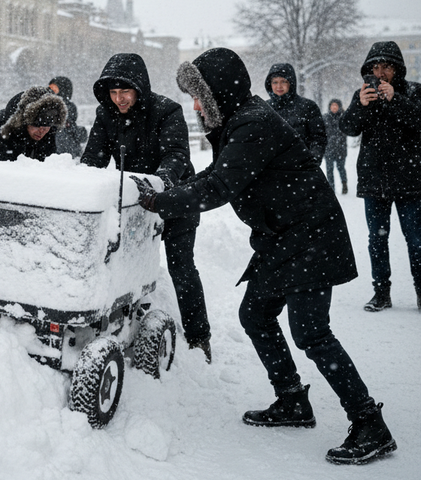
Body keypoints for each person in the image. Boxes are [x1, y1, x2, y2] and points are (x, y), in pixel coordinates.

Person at [132, 46, 396, 465]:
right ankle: (292, 399)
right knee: (254, 314)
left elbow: (219, 188)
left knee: (311, 332)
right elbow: (216, 174)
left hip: (311, 237)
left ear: (217, 93)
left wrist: (161, 201)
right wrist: (169, 191)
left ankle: (370, 424)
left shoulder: (252, 124)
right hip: (284, 239)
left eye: (199, 96)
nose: (196, 106)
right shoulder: (240, 121)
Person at [81, 53, 212, 362]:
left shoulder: (167, 110)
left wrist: (161, 182)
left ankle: (199, 336)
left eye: (124, 91)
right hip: (132, 203)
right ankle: (128, 319)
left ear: (139, 87)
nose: (119, 99)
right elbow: (93, 159)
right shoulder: (106, 114)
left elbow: (177, 154)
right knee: (123, 261)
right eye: (113, 93)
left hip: (175, 199)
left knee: (182, 269)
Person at [339, 40, 421, 312]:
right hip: (374, 182)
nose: (380, 73)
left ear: (396, 68)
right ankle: (381, 293)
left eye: (386, 67)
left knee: (417, 240)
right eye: (375, 67)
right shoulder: (362, 94)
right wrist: (361, 105)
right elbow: (348, 128)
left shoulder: (414, 92)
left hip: (411, 181)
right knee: (377, 239)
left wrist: (395, 98)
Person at [0, 86, 67, 162]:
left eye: (47, 126)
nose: (42, 131)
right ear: (24, 121)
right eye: (37, 125)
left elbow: (47, 166)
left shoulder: (49, 132)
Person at [265, 63, 327, 162]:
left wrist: (312, 161)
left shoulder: (308, 106)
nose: (279, 86)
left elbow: (318, 138)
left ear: (291, 83)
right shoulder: (264, 108)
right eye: (275, 82)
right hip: (272, 171)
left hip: (301, 169)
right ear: (269, 84)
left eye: (283, 81)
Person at [48, 76, 88, 157]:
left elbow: (71, 125)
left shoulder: (68, 106)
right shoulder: (47, 105)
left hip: (68, 151)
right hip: (58, 149)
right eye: (50, 88)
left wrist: (69, 125)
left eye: (55, 89)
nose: (51, 91)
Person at [323, 99, 348, 194]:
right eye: (332, 105)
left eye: (336, 105)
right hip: (328, 149)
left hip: (341, 148)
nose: (334, 107)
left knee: (341, 168)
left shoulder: (343, 118)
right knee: (329, 170)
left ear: (339, 107)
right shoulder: (325, 117)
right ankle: (331, 188)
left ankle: (344, 184)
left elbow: (347, 130)